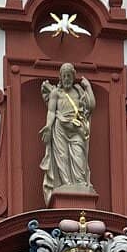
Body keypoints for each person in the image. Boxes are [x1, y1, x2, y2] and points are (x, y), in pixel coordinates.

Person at [39, 63, 96, 206]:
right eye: (64, 76)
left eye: (69, 76)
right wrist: (48, 126)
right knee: (62, 157)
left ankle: (80, 183)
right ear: (60, 77)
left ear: (73, 76)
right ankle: (65, 184)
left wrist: (88, 87)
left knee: (79, 157)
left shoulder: (78, 91)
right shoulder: (56, 93)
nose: (66, 79)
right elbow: (51, 111)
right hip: (60, 127)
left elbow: (91, 106)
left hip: (77, 128)